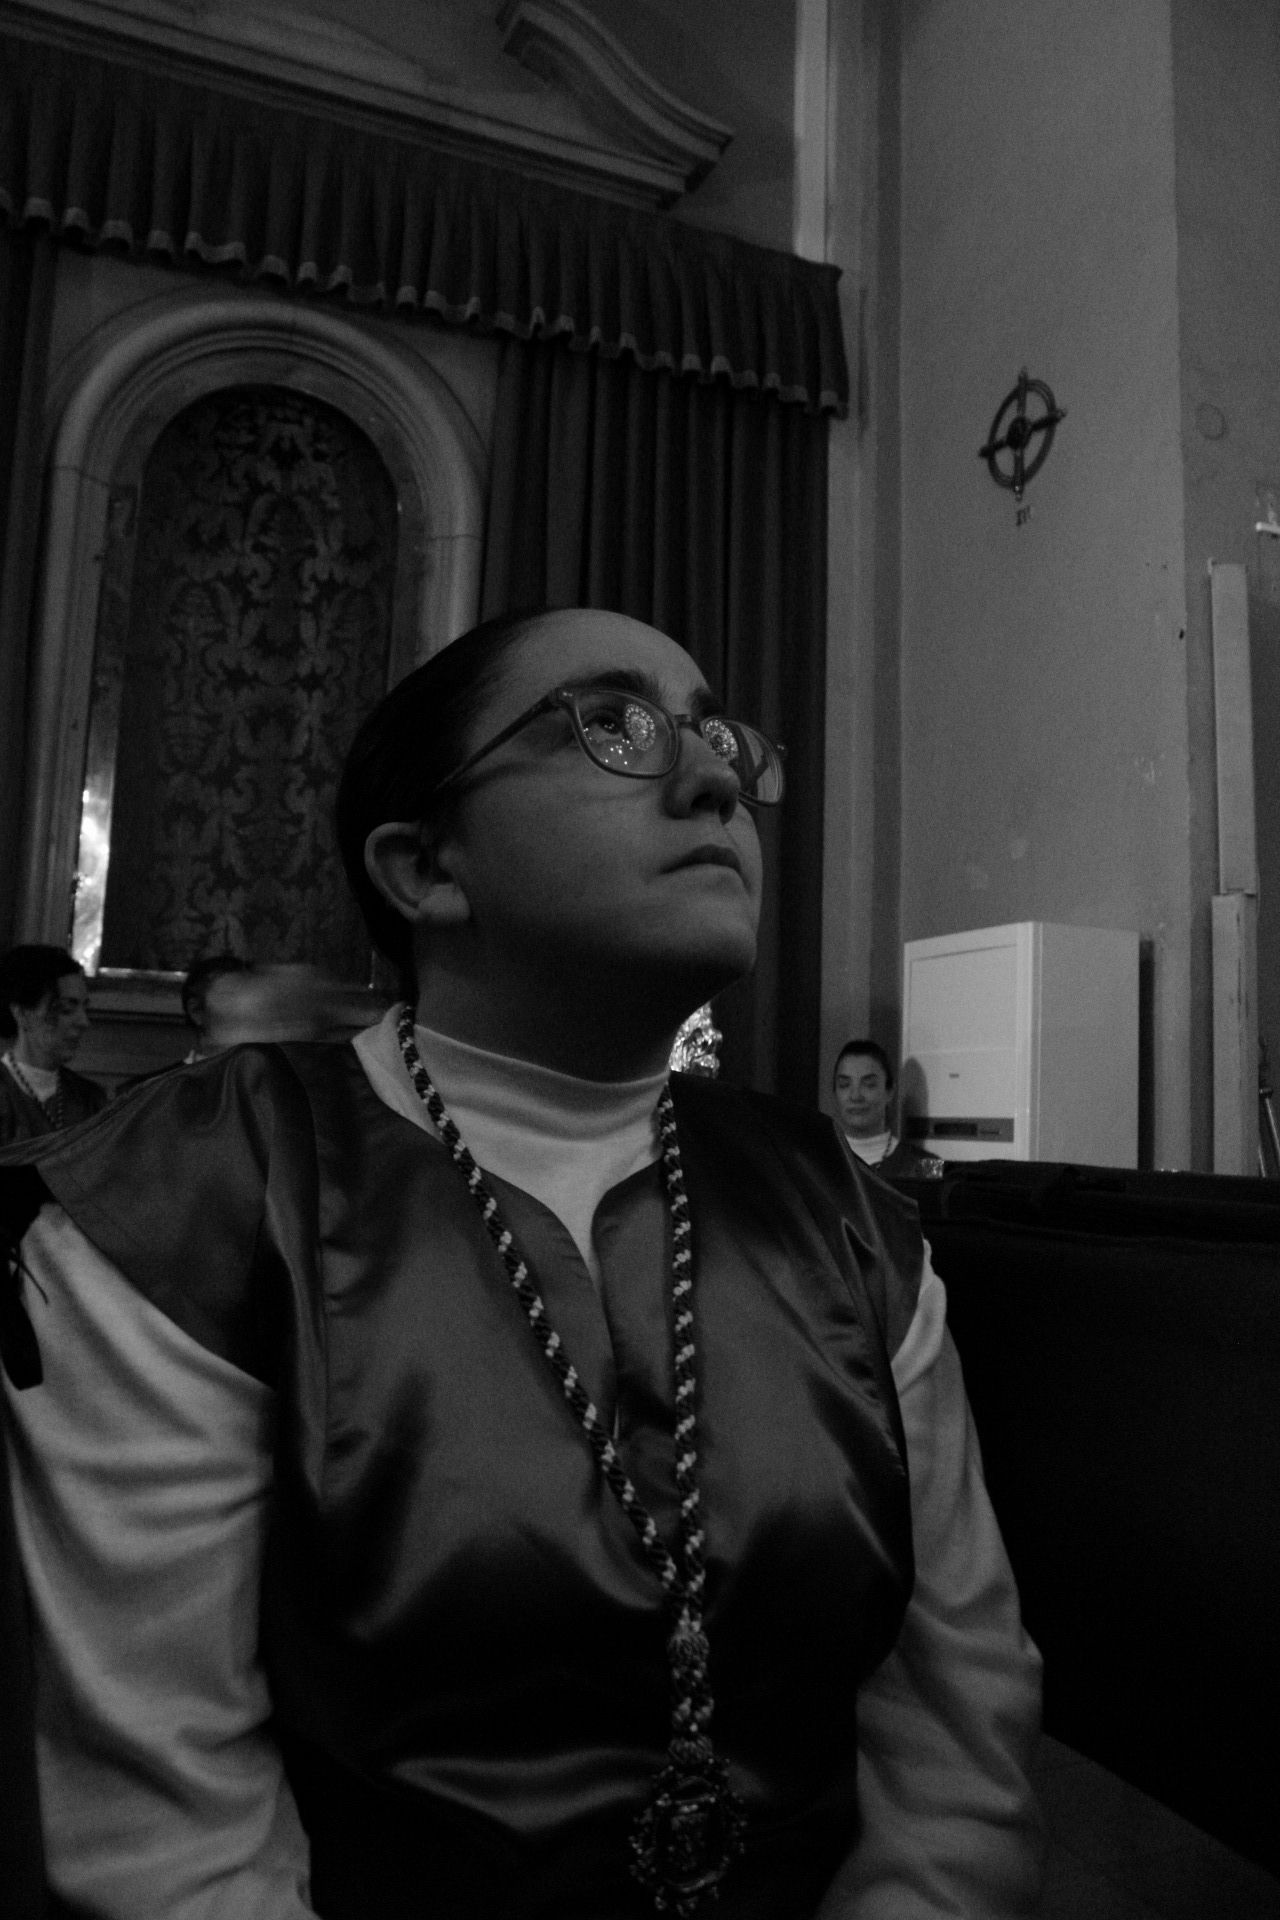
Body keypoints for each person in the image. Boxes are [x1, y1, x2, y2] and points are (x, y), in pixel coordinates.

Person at [0, 609, 1041, 1919]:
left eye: (718, 737)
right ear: (423, 866)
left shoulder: (842, 1216)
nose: (715, 780)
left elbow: (957, 1752)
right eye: (611, 725)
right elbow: (163, 1840)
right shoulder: (198, 1197)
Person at [0, 946, 106, 1144]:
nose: (83, 1022)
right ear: (22, 1014)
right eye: (66, 1009)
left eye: (85, 1008)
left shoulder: (89, 1099)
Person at [833, 1038, 941, 1180]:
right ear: (835, 1093)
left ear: (890, 1092)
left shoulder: (927, 1164)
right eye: (844, 1085)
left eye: (869, 1084)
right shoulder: (814, 1163)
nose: (855, 1096)